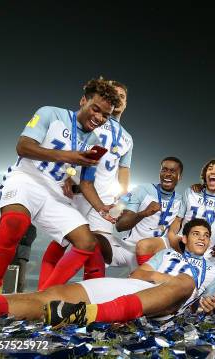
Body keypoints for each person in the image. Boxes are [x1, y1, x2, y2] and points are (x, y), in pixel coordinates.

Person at [0, 78, 121, 294]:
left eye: (106, 115)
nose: (99, 118)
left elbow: (86, 183)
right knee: (15, 224)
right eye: (96, 109)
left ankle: (43, 297)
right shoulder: (50, 113)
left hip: (55, 191)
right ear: (83, 100)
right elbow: (23, 146)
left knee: (86, 242)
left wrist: (101, 208)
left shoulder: (97, 141)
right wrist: (68, 156)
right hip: (27, 178)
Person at [0, 219, 215, 327]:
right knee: (48, 297)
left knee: (186, 282)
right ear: (185, 238)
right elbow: (137, 276)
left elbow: (201, 303)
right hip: (132, 292)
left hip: (166, 307)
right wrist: (165, 278)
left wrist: (206, 304)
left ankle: (93, 314)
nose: (202, 238)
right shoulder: (166, 255)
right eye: (196, 234)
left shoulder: (213, 269)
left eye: (206, 235)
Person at [40, 80, 134, 284]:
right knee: (60, 244)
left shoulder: (127, 138)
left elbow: (124, 169)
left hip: (105, 199)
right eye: (114, 94)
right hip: (78, 192)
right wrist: (66, 176)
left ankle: (91, 301)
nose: (118, 98)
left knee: (97, 250)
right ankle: (44, 293)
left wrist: (122, 197)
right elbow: (73, 143)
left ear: (125, 103)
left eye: (122, 96)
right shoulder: (94, 119)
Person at [136, 159, 215, 263]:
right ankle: (147, 281)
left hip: (202, 249)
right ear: (204, 175)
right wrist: (171, 236)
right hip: (179, 241)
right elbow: (178, 220)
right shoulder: (190, 192)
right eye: (210, 169)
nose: (213, 171)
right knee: (143, 246)